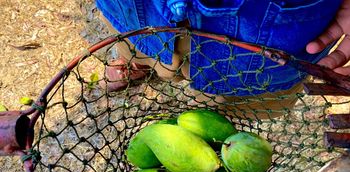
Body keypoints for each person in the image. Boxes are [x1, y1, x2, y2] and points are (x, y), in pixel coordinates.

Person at [95, 0, 350, 118]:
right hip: (141, 9)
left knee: (234, 100)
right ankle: (140, 61)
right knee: (137, 40)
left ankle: (223, 122)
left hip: (264, 26)